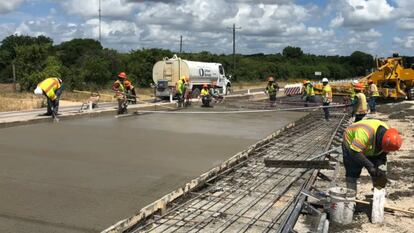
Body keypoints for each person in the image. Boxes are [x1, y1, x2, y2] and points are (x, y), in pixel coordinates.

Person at [342, 119, 402, 195]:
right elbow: (355, 152)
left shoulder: (389, 135)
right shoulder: (364, 133)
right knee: (353, 170)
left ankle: (378, 196)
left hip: (370, 143)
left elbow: (383, 155)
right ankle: (350, 196)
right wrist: (370, 166)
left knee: (380, 172)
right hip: (352, 145)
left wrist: (380, 171)